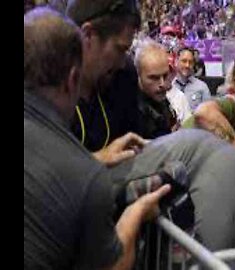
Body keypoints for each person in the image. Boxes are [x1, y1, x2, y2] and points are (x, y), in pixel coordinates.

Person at [24, 8, 171, 270]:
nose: (119, 62)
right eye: (119, 49)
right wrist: (135, 213)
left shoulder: (121, 82)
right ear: (72, 80)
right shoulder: (86, 179)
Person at [66, 0, 148, 167]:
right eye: (119, 49)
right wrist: (94, 162)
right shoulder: (43, 84)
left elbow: (135, 148)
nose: (121, 63)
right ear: (87, 35)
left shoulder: (124, 76)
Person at [133, 38, 192, 138]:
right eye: (154, 78)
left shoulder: (161, 100)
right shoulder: (131, 112)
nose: (162, 83)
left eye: (165, 76)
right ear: (138, 75)